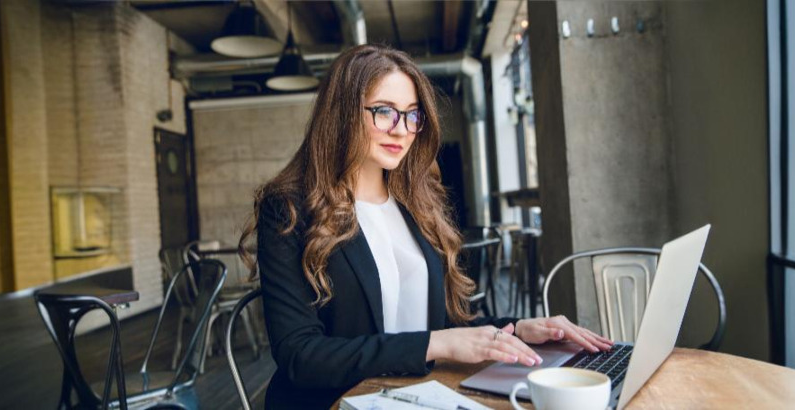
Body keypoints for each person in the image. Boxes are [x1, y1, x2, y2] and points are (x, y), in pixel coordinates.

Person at [237, 44, 613, 409]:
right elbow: (300, 355)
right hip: (335, 403)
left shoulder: (417, 202)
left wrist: (516, 327)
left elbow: (439, 328)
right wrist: (438, 344)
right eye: (384, 111)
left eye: (412, 114)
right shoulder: (288, 209)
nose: (401, 130)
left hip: (420, 394)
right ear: (343, 114)